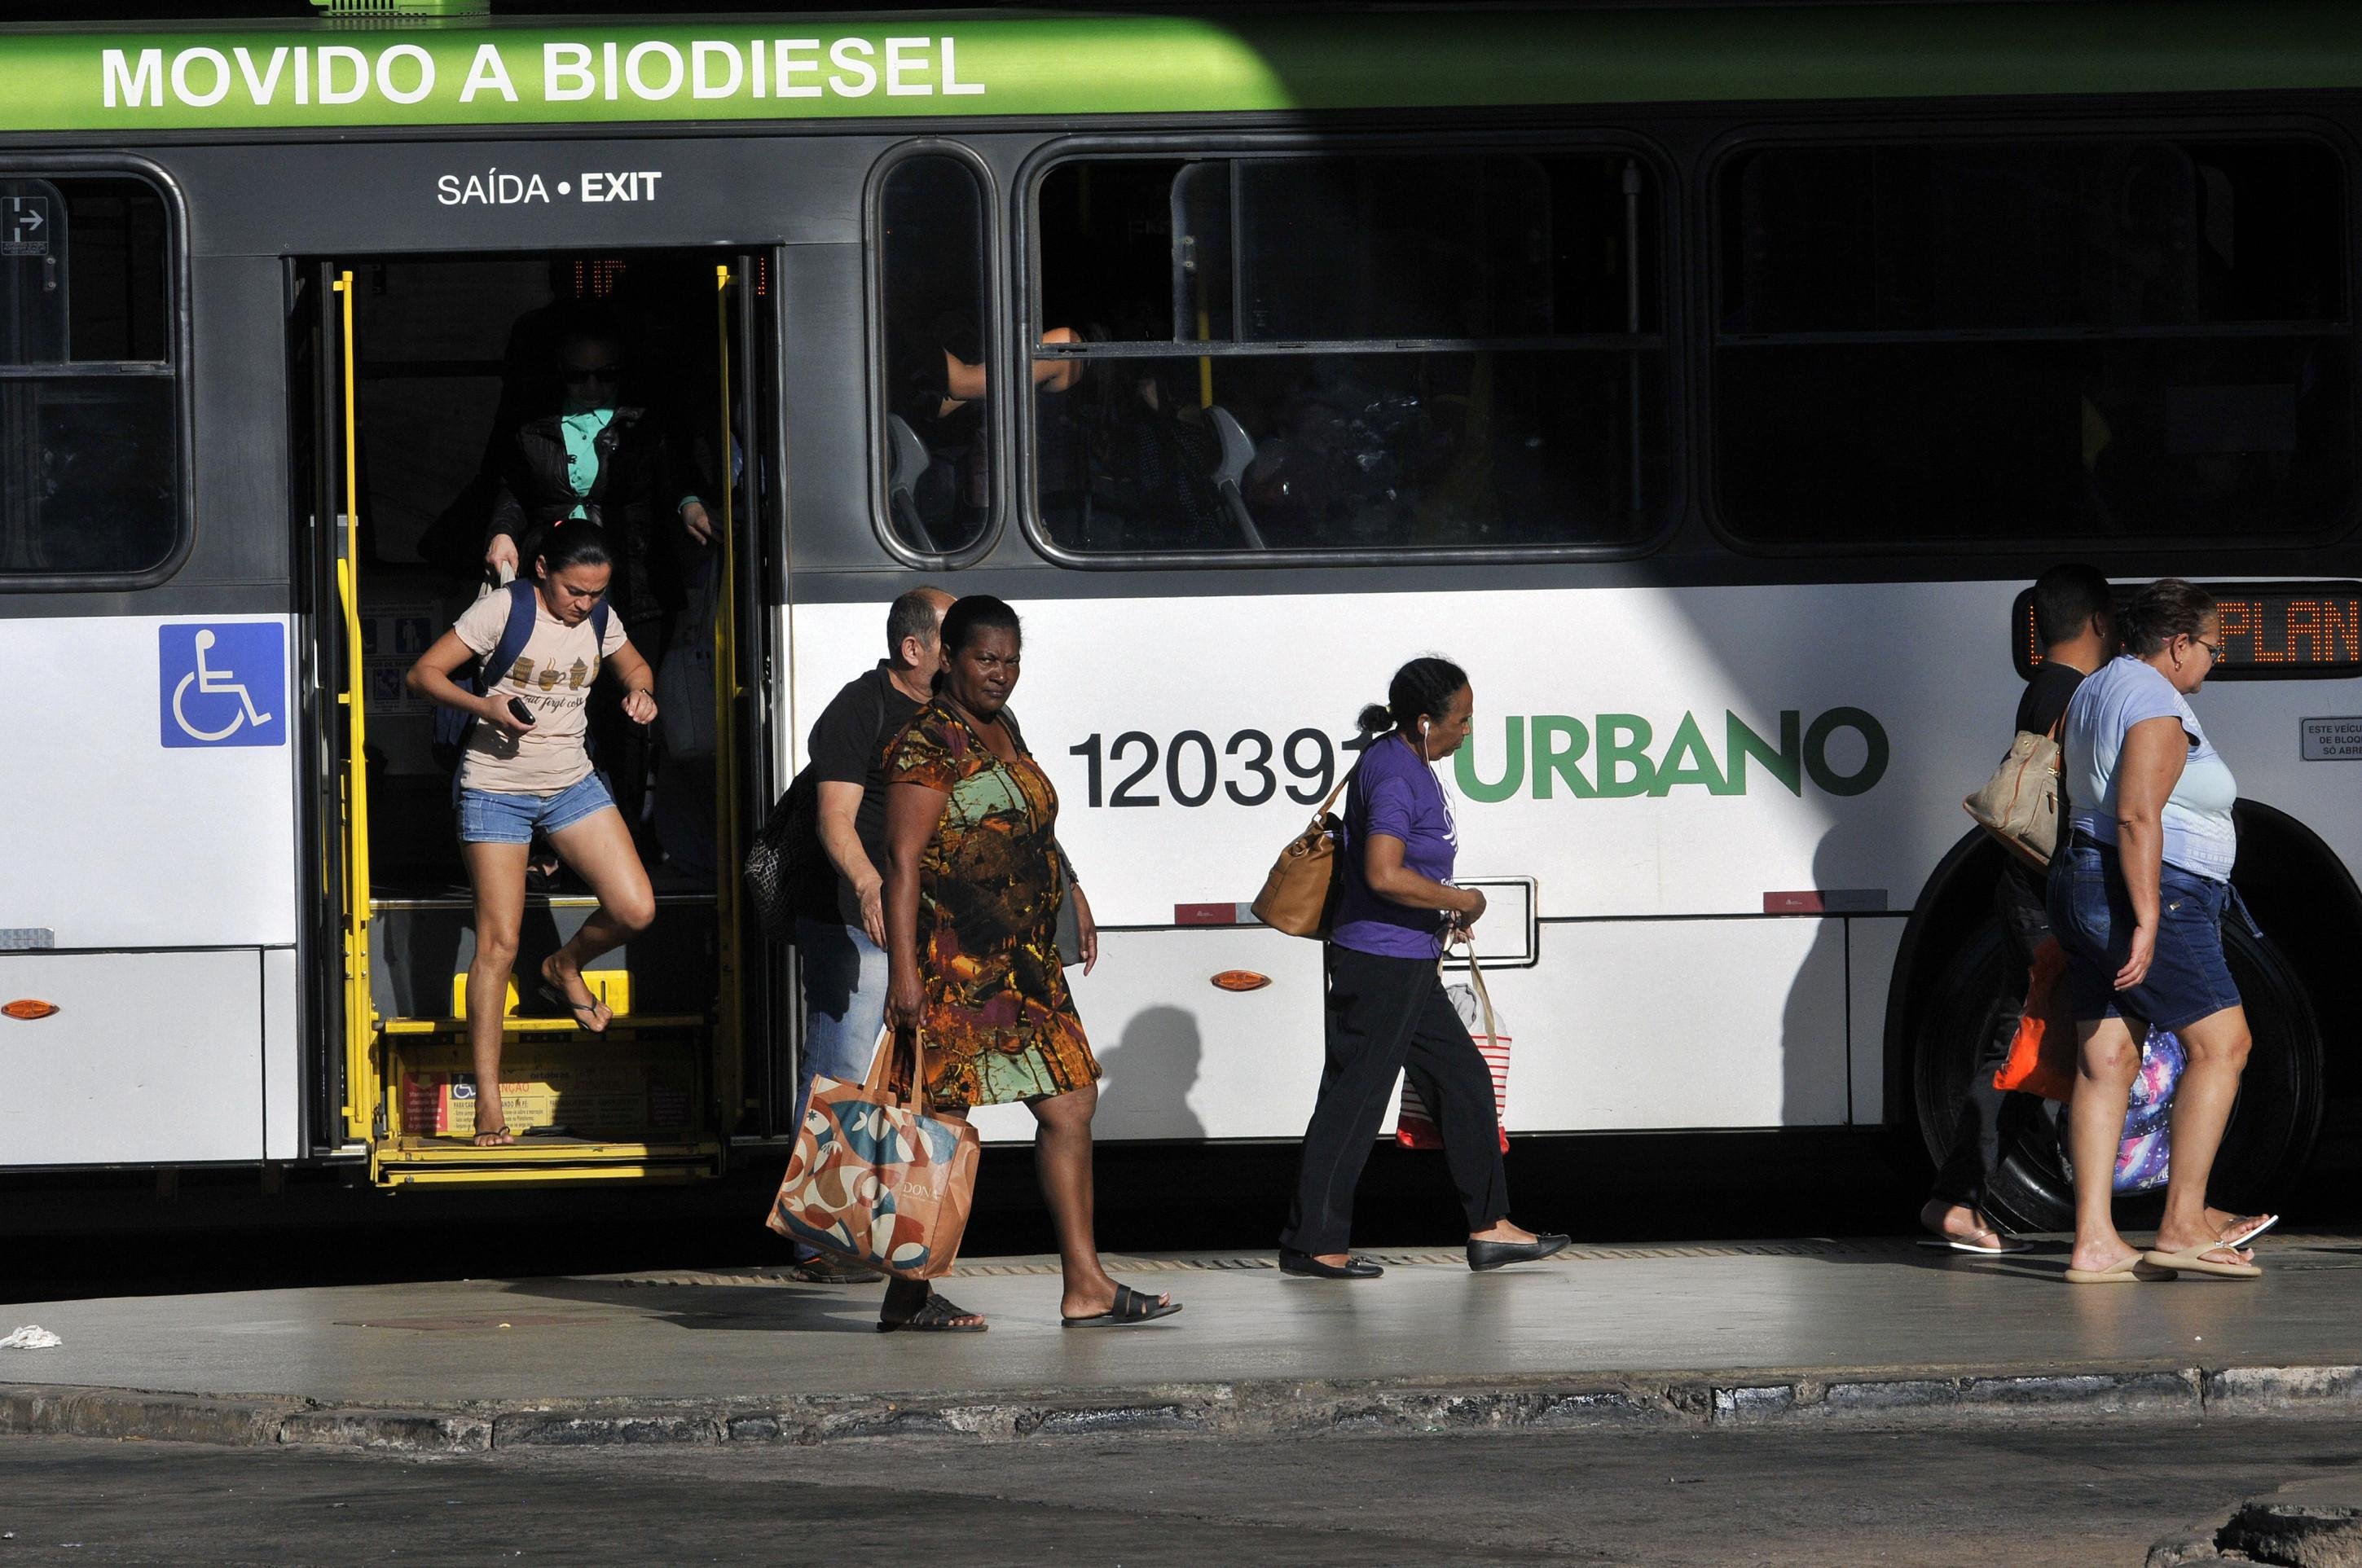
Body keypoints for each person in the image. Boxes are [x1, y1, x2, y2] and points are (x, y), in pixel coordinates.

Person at [879, 595, 1172, 1331]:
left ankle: (1085, 1285)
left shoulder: (1003, 726)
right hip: (956, 967)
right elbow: (902, 862)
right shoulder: (928, 741)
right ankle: (907, 1293)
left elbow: (1033, 824)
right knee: (942, 1125)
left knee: (1070, 1103)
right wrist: (904, 974)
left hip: (1027, 967)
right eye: (986, 658)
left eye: (1011, 660)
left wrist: (1072, 889)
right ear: (948, 657)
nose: (1000, 673)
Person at [1279, 657, 1568, 1280]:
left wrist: (1440, 909)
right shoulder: (1392, 771)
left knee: (1463, 1079)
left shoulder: (1406, 762)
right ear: (1423, 721)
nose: (1467, 730)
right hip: (1380, 961)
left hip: (1406, 957)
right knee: (1355, 1099)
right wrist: (1462, 899)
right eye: (1460, 719)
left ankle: (1490, 1227)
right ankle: (1314, 1243)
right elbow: (1383, 873)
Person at [405, 521, 659, 1147]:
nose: (586, 604)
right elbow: (423, 674)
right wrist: (485, 707)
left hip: (572, 783)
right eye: (576, 591)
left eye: (597, 593)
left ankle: (562, 965)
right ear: (542, 569)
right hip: (495, 789)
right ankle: (488, 1101)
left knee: (635, 907)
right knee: (498, 944)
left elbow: (635, 666)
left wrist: (641, 693)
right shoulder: (504, 608)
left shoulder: (599, 617)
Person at [2054, 578, 2275, 1284]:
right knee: (2223, 1044)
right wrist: (2147, 916)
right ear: (2177, 644)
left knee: (2106, 1059)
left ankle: (2094, 1240)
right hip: (2154, 892)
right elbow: (2135, 814)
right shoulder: (2152, 699)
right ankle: (2181, 1223)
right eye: (2210, 646)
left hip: (2081, 880)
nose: (2213, 660)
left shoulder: (2093, 688)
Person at [1921, 564, 2115, 1253]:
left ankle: (1957, 1195)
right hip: (2045, 899)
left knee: (2027, 1044)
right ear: (2099, 622)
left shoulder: (2042, 688)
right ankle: (1960, 1197)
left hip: (2025, 892)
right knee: (2033, 1048)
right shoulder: (2077, 695)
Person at [781, 585, 956, 1284]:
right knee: (841, 1072)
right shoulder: (861, 708)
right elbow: (835, 817)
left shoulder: (963, 711)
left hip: (931, 922)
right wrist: (867, 883)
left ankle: (891, 1232)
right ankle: (817, 1236)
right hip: (855, 921)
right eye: (952, 640)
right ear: (914, 648)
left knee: (914, 1081)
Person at [482, 314, 705, 854]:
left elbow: (675, 478)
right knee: (552, 703)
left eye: (604, 374)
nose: (591, 386)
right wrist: (502, 533)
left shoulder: (642, 423)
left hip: (634, 584)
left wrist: (689, 504)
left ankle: (624, 833)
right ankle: (551, 840)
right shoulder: (533, 425)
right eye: (577, 376)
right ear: (559, 374)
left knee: (627, 712)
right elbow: (513, 493)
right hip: (554, 586)